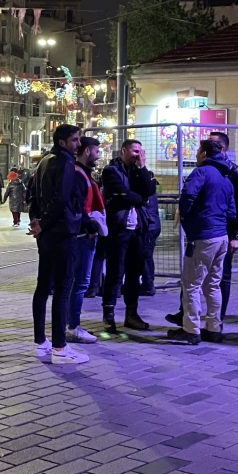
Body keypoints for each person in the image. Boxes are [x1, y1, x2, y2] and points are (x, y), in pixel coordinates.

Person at [28, 124, 89, 364]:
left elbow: (33, 195)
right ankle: (60, 348)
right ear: (63, 142)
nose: (78, 144)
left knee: (43, 286)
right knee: (63, 288)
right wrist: (44, 222)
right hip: (62, 232)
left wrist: (36, 221)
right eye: (74, 140)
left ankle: (40, 342)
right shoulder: (64, 163)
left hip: (47, 235)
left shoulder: (44, 161)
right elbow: (62, 199)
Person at [169, 139, 236, 345]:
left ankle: (192, 330)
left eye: (198, 151)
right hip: (221, 236)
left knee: (191, 285)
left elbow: (187, 196)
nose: (196, 155)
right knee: (213, 285)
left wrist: (188, 222)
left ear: (205, 153)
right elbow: (232, 211)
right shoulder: (226, 177)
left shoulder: (201, 172)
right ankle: (214, 327)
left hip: (203, 236)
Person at [99, 139, 157, 333]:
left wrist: (142, 168)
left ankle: (131, 315)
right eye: (134, 151)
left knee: (135, 273)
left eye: (140, 152)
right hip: (119, 228)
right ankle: (109, 315)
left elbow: (150, 190)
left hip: (138, 228)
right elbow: (122, 193)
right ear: (124, 150)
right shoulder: (111, 171)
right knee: (115, 273)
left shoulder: (139, 171)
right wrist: (140, 199)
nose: (137, 155)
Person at [67, 136, 106, 345]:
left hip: (83, 234)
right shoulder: (78, 174)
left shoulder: (82, 173)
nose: (98, 155)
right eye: (96, 151)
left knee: (77, 282)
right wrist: (89, 224)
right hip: (82, 236)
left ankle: (71, 324)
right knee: (80, 283)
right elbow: (76, 205)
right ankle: (72, 326)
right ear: (87, 151)